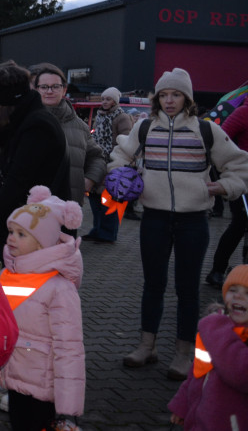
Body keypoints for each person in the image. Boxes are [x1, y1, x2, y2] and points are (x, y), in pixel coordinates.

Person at [108, 68, 248, 379]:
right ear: (156, 98)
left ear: (187, 98)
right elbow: (120, 155)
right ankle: (147, 346)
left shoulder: (206, 130)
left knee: (187, 289)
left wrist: (225, 187)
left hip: (193, 220)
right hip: (154, 217)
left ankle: (183, 353)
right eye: (163, 95)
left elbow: (240, 164)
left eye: (176, 95)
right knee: (153, 285)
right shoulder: (144, 127)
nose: (169, 100)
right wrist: (121, 176)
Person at [0, 186, 85, 431]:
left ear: (42, 243)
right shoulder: (9, 275)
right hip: (15, 380)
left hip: (43, 389)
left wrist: (67, 408)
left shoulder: (59, 288)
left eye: (21, 234)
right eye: (11, 231)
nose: (11, 238)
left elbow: (70, 350)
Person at [0, 61, 69, 261]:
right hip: (25, 224)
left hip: (32, 228)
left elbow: (16, 181)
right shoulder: (28, 120)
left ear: (5, 101)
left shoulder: (37, 127)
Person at [168, 264, 248, 430]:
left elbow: (239, 374)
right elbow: (197, 372)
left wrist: (216, 329)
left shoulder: (216, 329)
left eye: (247, 293)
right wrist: (182, 405)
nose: (238, 296)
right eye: (233, 290)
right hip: (200, 417)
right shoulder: (218, 326)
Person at [29, 62, 106, 213]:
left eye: (55, 86)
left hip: (68, 206)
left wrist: (90, 179)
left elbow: (97, 157)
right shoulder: (24, 120)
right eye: (44, 87)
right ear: (36, 89)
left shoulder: (80, 126)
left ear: (64, 89)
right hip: (30, 206)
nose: (49, 91)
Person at [206, 102, 248, 287]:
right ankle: (217, 269)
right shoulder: (243, 112)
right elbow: (220, 141)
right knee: (240, 224)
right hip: (243, 178)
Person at [86, 87, 134, 239]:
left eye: (108, 99)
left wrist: (116, 160)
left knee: (109, 199)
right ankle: (97, 229)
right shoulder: (99, 116)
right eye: (103, 99)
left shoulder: (122, 117)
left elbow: (126, 141)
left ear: (115, 101)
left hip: (113, 163)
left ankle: (107, 233)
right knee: (95, 198)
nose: (104, 102)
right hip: (97, 160)